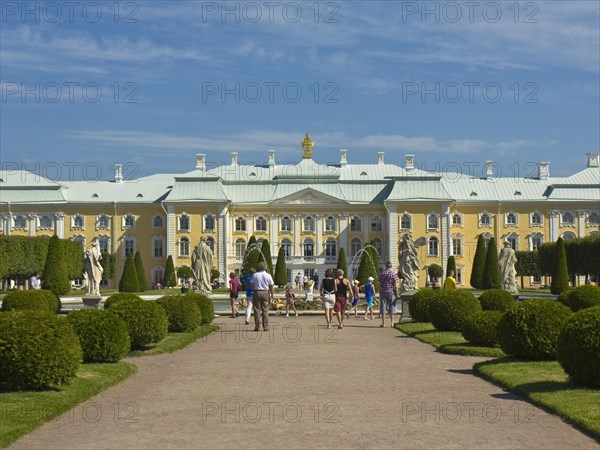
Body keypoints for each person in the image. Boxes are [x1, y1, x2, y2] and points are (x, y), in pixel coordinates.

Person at [252, 261, 275, 331]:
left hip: (257, 292)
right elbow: (271, 286)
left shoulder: (255, 275)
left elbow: (251, 284)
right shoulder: (268, 275)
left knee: (257, 310)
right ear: (265, 267)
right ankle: (266, 327)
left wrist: (255, 288)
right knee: (265, 310)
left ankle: (257, 327)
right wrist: (272, 295)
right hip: (265, 292)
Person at [378, 261, 399, 328]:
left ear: (386, 266)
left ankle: (383, 323)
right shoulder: (393, 274)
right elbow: (395, 285)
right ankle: (392, 323)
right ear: (391, 266)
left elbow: (380, 284)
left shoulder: (382, 273)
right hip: (391, 292)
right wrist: (397, 294)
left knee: (383, 307)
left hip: (383, 292)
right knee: (392, 307)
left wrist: (379, 292)